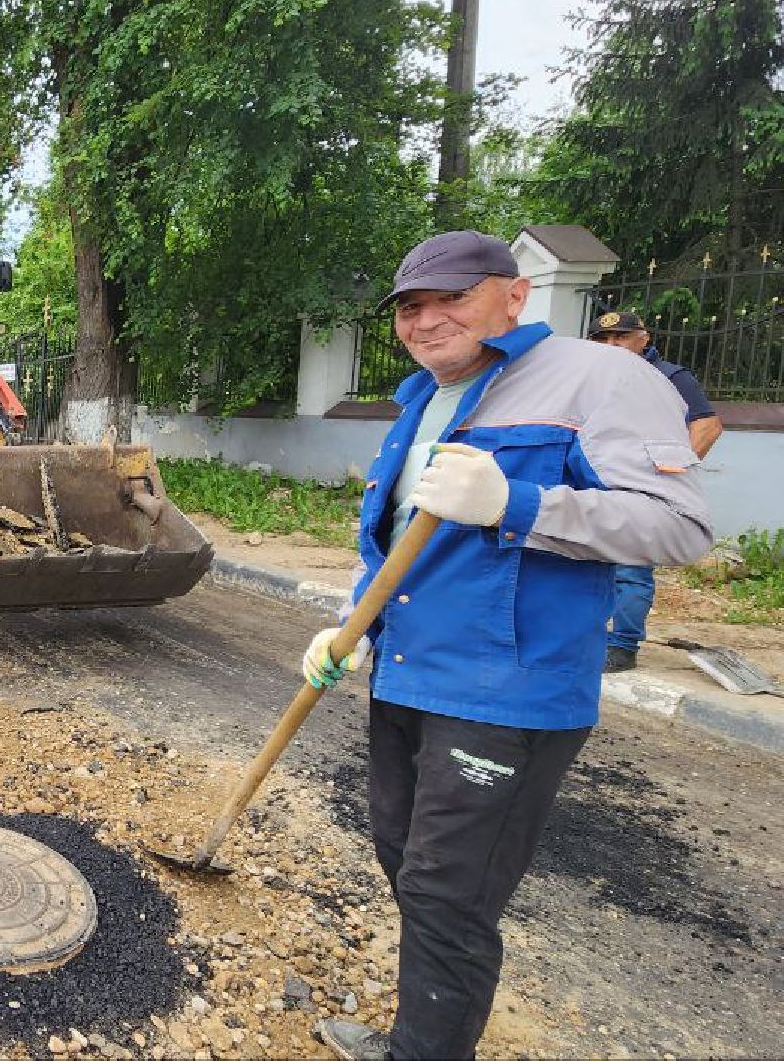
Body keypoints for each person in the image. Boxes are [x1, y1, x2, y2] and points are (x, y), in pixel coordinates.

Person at [304, 232, 710, 1060]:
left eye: (452, 297)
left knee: (446, 890)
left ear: (514, 294)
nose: (426, 321)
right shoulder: (424, 397)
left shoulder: (600, 378)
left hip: (507, 694)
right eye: (410, 307)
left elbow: (680, 526)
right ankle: (419, 1036)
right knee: (405, 865)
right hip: (409, 677)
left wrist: (518, 503)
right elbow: (392, 546)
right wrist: (349, 624)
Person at [587, 309, 723, 672]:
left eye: (621, 338)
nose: (612, 345)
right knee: (587, 560)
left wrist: (671, 473)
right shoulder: (593, 375)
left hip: (642, 486)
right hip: (597, 481)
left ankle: (622, 645)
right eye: (603, 339)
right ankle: (591, 636)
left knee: (631, 567)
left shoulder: (669, 377)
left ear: (643, 339)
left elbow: (708, 426)